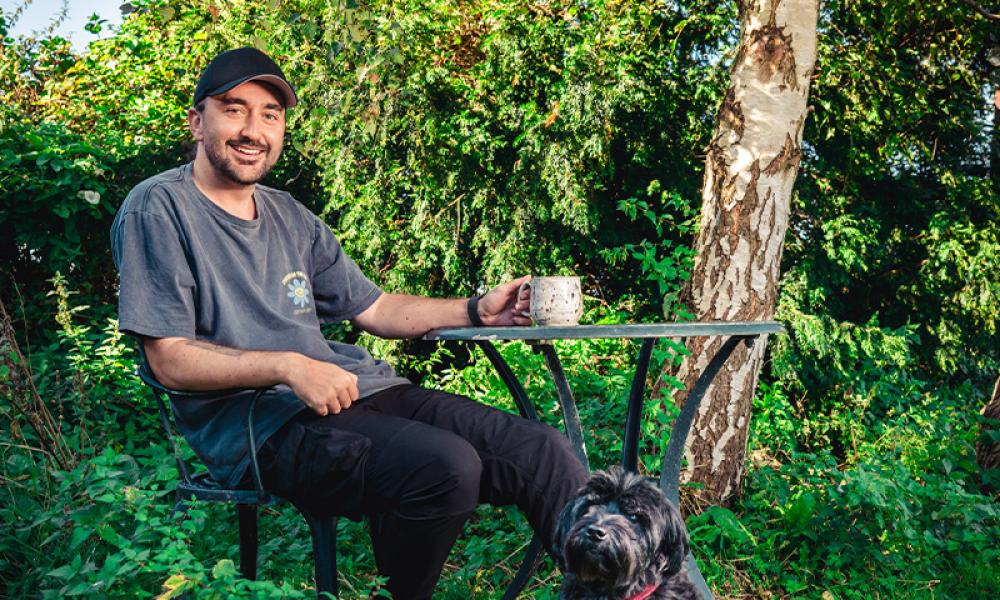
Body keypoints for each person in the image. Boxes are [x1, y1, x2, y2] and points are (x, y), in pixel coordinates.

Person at [110, 47, 588, 598]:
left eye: (270, 114)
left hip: (357, 391)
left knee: (541, 449)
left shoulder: (289, 213)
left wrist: (478, 309)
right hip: (261, 426)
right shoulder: (159, 209)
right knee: (446, 466)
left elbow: (376, 309)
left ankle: (611, 586)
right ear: (197, 122)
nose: (253, 129)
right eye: (234, 109)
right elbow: (168, 358)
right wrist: (289, 367)